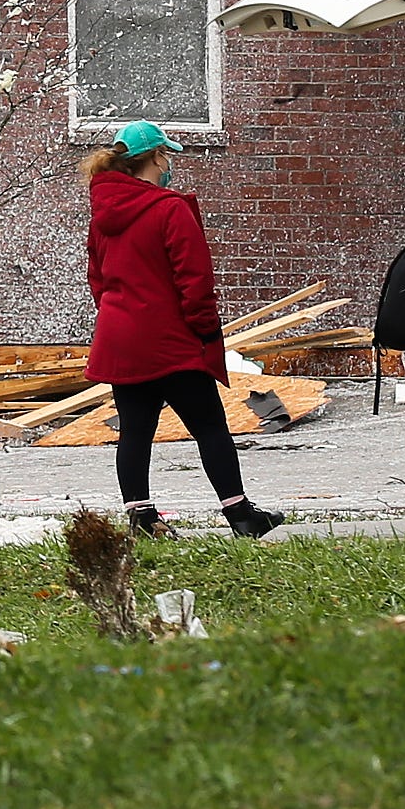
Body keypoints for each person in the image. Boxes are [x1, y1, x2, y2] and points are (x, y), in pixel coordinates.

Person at [83, 121, 282, 539]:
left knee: (135, 430)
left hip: (122, 340)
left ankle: (142, 519)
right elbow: (195, 281)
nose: (169, 162)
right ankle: (241, 514)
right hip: (171, 340)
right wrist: (206, 332)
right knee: (209, 426)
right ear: (156, 157)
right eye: (167, 154)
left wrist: (122, 317)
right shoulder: (169, 209)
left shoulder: (103, 214)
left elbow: (98, 279)